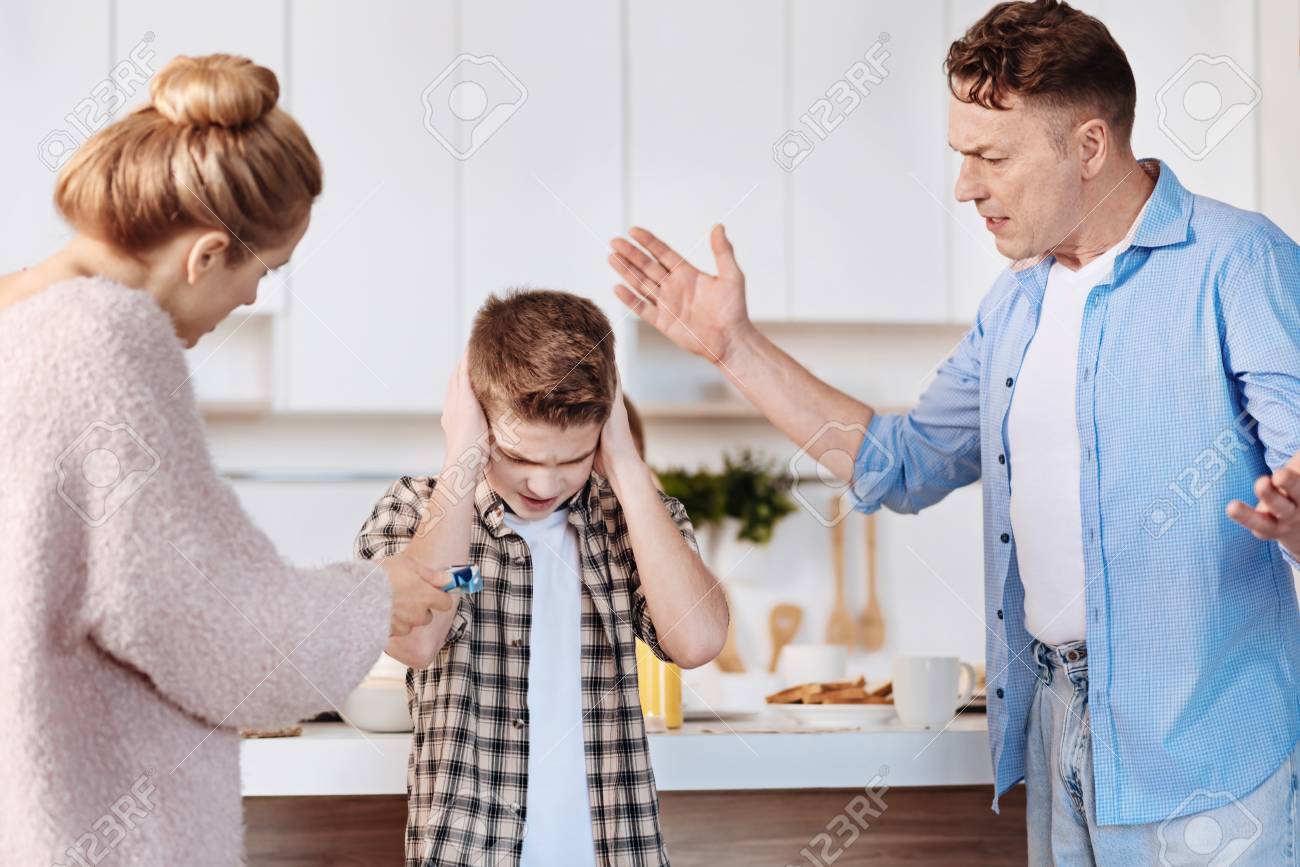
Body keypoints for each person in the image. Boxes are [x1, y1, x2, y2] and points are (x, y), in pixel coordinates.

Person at [607, 1, 1300, 863]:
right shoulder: (1016, 304)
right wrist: (732, 346)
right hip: (1056, 731)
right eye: (961, 155)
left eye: (990, 156)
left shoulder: (1240, 264)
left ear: (1089, 147)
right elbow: (898, 465)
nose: (966, 185)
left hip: (1204, 753)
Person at [0, 54, 450, 866]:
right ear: (207, 253)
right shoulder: (104, 346)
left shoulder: (16, 312)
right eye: (263, 272)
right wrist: (371, 596)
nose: (250, 301)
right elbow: (221, 636)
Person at [354, 288, 729, 867]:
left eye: (570, 460)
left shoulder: (628, 520)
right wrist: (462, 458)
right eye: (521, 457)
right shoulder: (411, 511)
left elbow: (698, 640)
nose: (543, 485)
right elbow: (417, 639)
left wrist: (625, 466)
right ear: (475, 416)